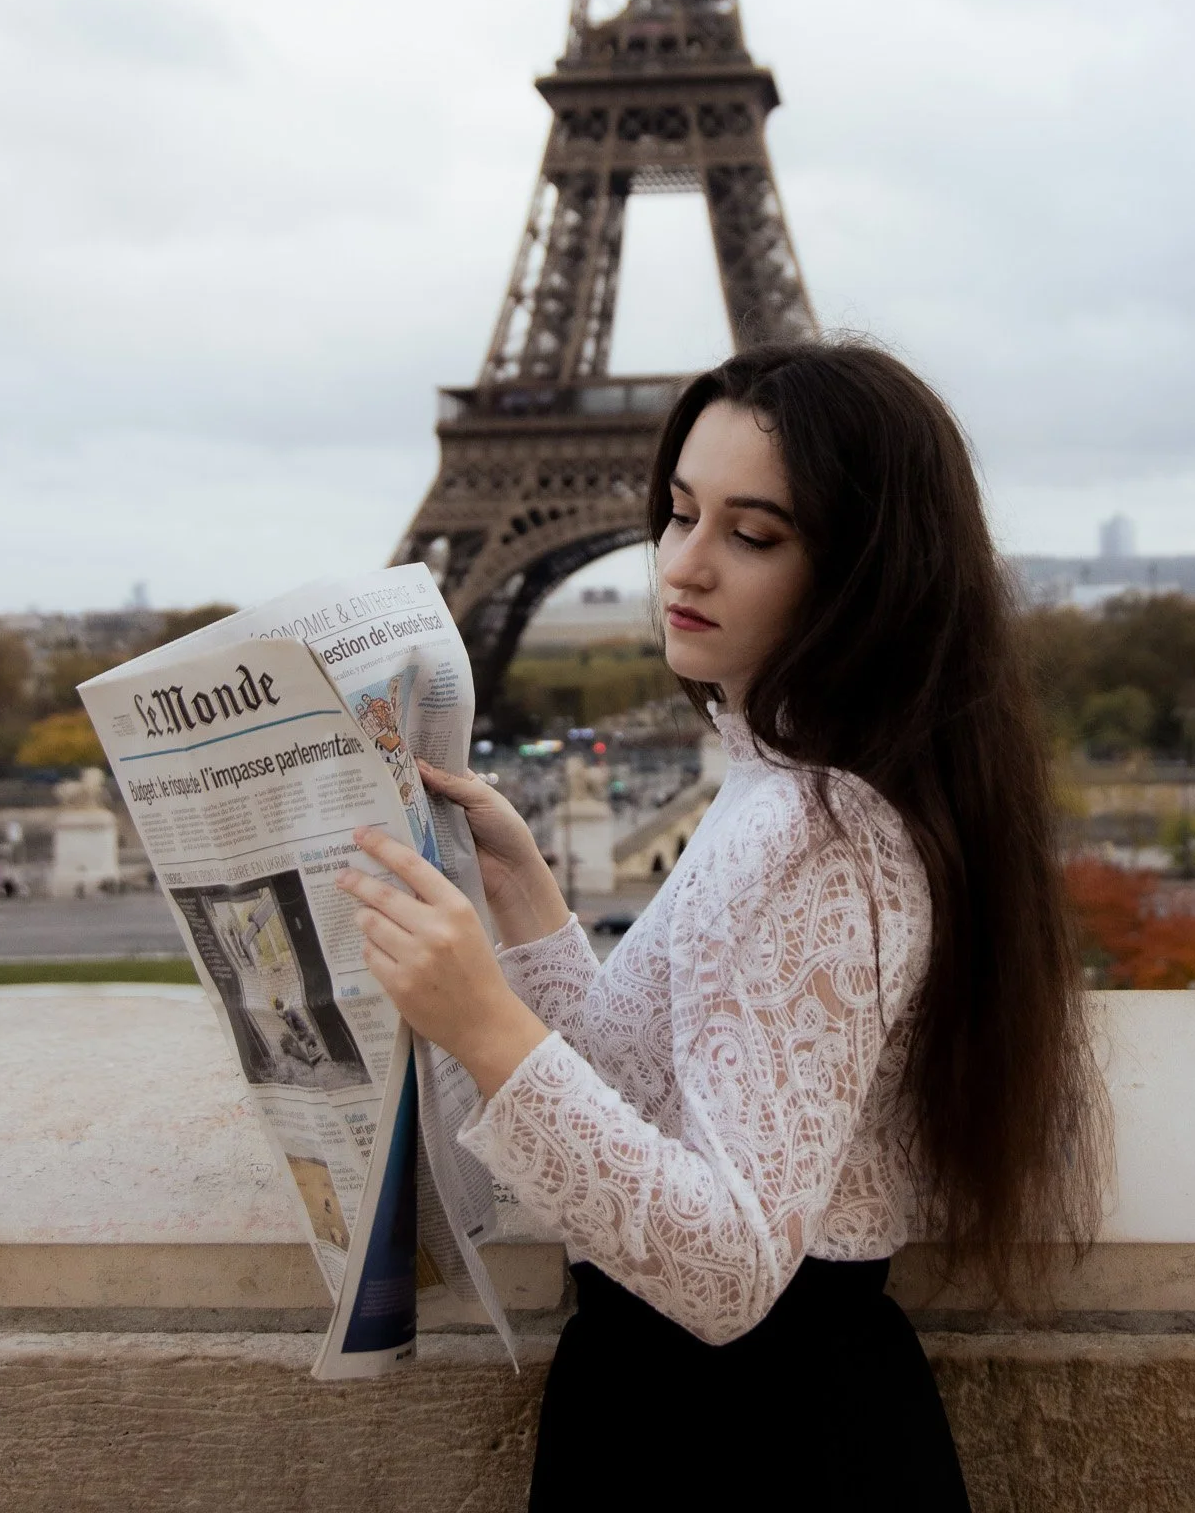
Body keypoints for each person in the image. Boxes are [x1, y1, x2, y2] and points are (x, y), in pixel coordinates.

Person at [339, 341, 1107, 1510]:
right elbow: (668, 1094)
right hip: (754, 1420)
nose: (681, 565)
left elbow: (732, 1268)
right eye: (680, 512)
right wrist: (530, 899)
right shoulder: (792, 783)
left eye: (754, 534)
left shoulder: (818, 828)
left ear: (866, 572)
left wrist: (486, 1022)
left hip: (740, 1439)